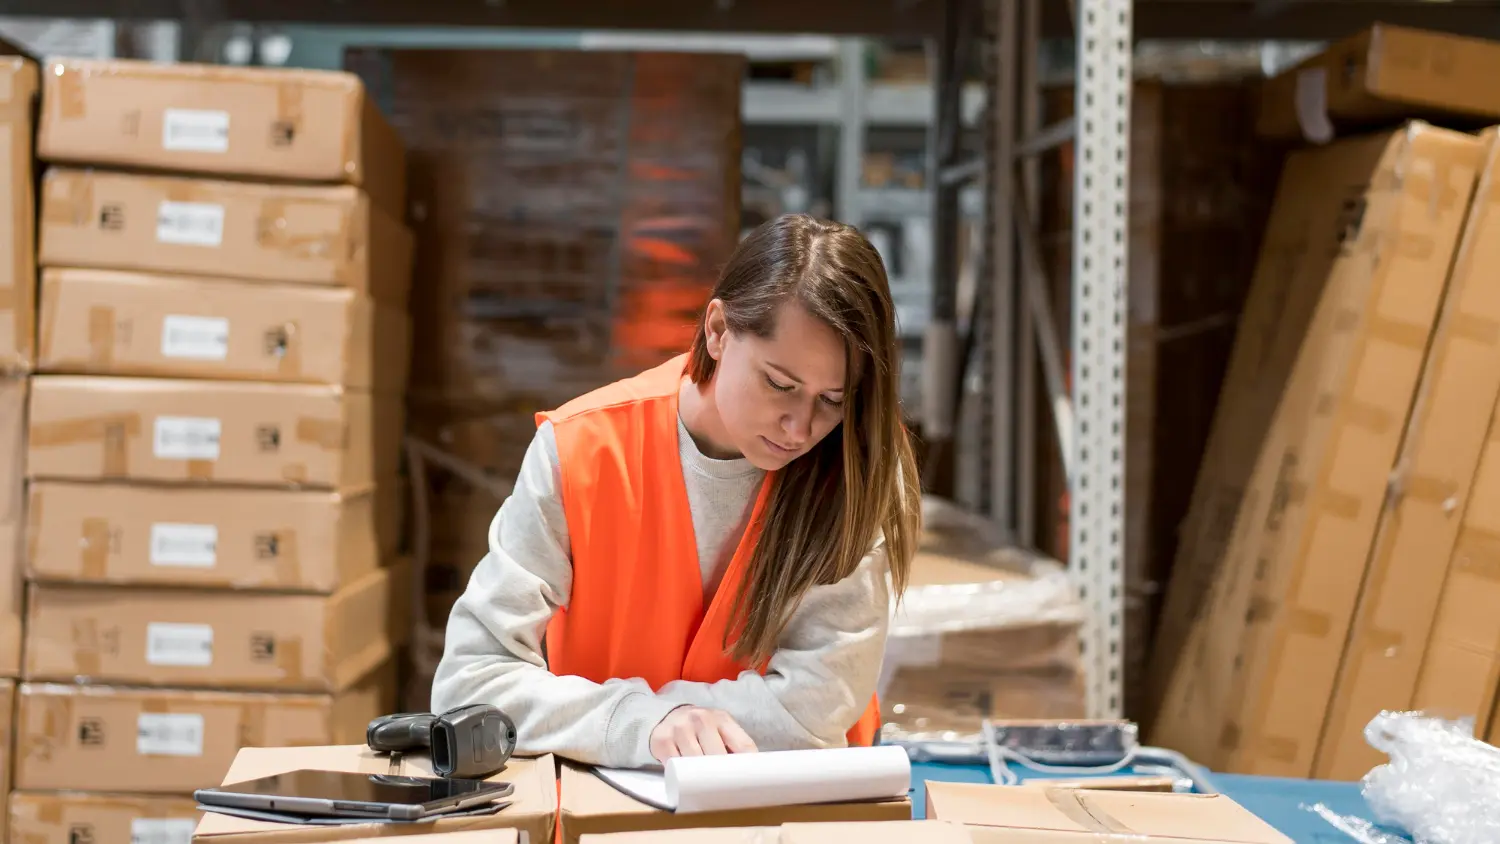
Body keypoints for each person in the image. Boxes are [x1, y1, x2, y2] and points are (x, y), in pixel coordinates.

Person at [431, 213, 921, 770]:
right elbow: (469, 684)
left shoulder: (857, 470)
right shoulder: (581, 450)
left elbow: (813, 710)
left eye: (832, 399)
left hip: (787, 818)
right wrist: (641, 724)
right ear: (717, 331)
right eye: (779, 384)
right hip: (609, 815)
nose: (800, 427)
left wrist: (607, 720)